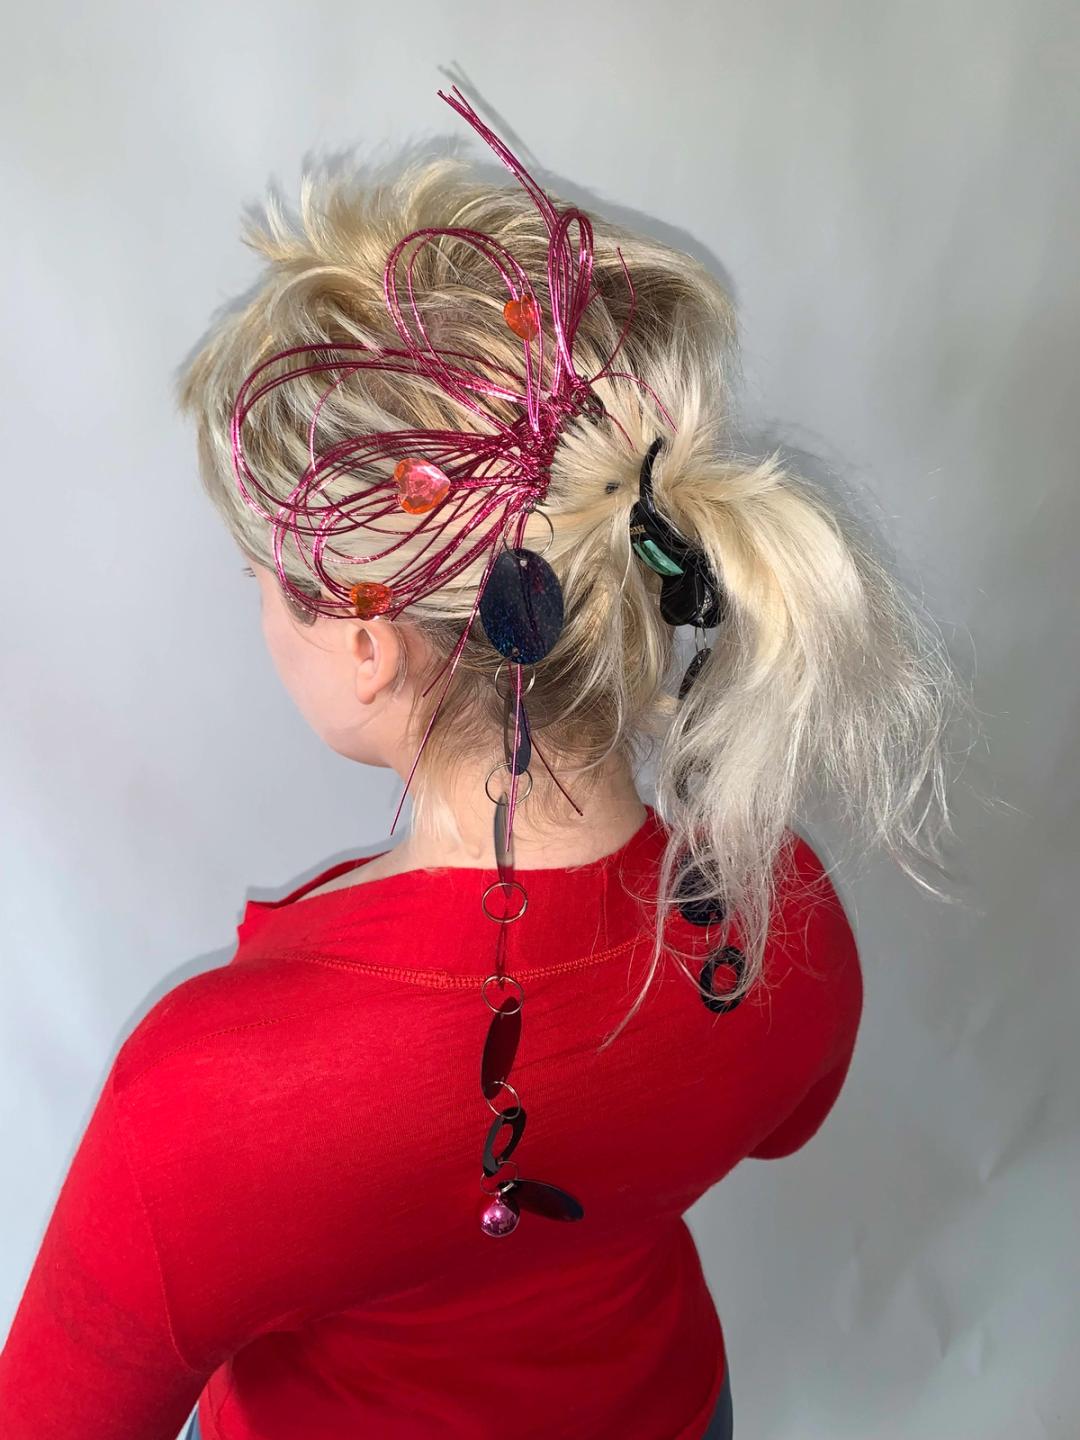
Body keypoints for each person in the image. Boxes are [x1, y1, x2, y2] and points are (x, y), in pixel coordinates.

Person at [0, 88, 962, 1440]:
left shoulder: (204, 1102)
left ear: (369, 643)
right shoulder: (771, 914)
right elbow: (784, 1120)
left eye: (264, 573)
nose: (254, 597)